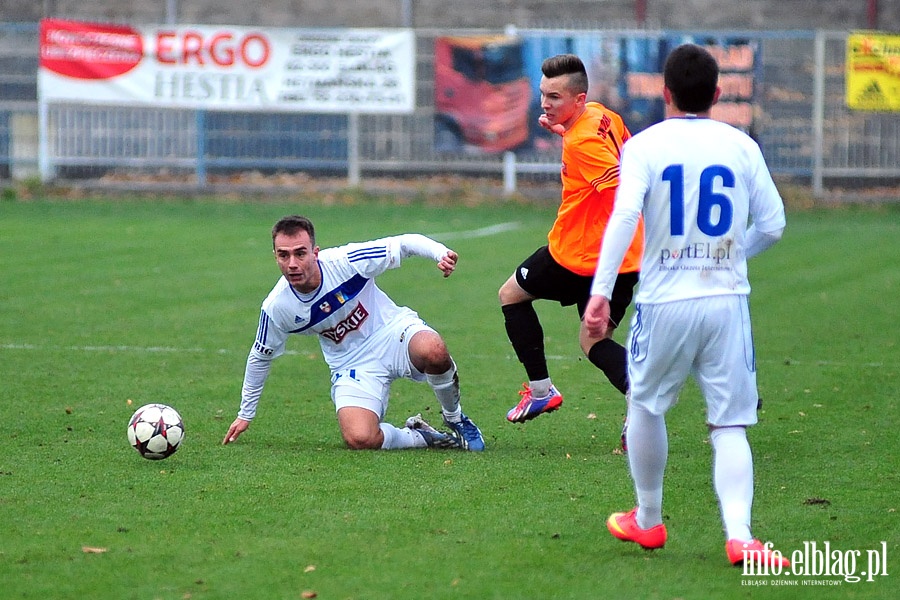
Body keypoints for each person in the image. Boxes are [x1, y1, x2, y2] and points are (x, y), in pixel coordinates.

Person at [584, 44, 789, 568]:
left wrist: (601, 293)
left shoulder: (646, 146)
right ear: (717, 95)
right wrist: (732, 251)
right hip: (726, 302)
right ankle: (740, 536)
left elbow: (625, 214)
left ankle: (649, 521)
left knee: (647, 405)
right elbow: (773, 224)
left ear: (665, 93)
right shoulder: (741, 145)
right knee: (730, 425)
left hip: (664, 300)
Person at [222, 215, 485, 452]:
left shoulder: (346, 261)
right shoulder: (277, 307)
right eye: (284, 255)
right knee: (360, 439)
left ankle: (455, 418)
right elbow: (260, 357)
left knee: (433, 349)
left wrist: (440, 253)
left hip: (392, 333)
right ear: (275, 256)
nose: (292, 263)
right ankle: (423, 437)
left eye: (300, 253)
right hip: (351, 364)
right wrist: (246, 413)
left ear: (315, 252)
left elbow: (404, 243)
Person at [499, 54, 644, 445]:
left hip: (579, 256)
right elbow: (626, 161)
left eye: (555, 97)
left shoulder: (581, 141)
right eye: (544, 94)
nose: (546, 104)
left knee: (511, 295)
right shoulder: (599, 115)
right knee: (593, 341)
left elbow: (619, 194)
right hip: (627, 258)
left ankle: (542, 391)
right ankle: (639, 403)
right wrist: (564, 131)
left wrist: (570, 139)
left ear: (578, 99)